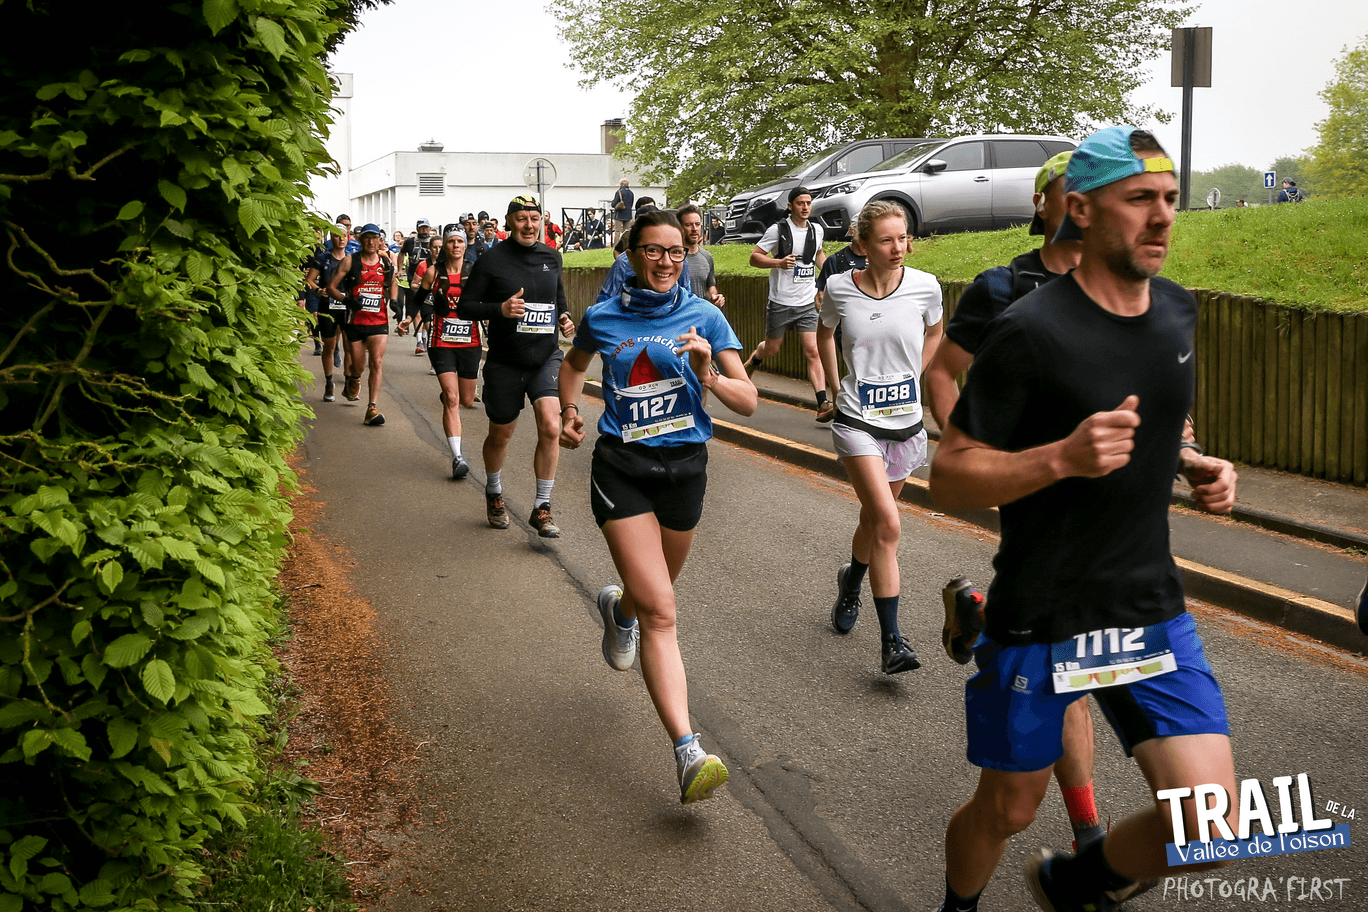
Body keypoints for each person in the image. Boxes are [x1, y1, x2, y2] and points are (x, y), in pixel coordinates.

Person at [928, 126, 1239, 912]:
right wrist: (1060, 458)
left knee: (1213, 826)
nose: (1162, 216)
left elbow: (1163, 421)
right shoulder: (1029, 331)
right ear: (1083, 209)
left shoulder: (1176, 312)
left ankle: (1075, 883)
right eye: (1139, 199)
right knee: (1009, 809)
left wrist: (1191, 461)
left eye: (1170, 198)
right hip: (1045, 615)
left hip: (1148, 608)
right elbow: (950, 475)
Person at [923, 150, 1119, 859]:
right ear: (1042, 204)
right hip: (1034, 483)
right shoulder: (1003, 287)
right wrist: (974, 453)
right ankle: (1089, 834)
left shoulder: (1121, 284)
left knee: (1072, 661)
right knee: (1071, 661)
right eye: (1072, 191)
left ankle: (980, 617)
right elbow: (941, 373)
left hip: (1103, 492)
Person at [558, 209, 758, 803]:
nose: (666, 261)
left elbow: (748, 400)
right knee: (664, 614)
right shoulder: (602, 316)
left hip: (685, 471)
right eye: (652, 250)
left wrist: (709, 375)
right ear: (631, 255)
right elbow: (572, 367)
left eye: (675, 251)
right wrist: (569, 412)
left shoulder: (707, 317)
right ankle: (688, 751)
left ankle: (619, 610)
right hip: (622, 469)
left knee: (652, 596)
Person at [817, 201, 942, 674]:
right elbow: (825, 334)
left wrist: (915, 374)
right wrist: (834, 387)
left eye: (903, 237)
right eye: (887, 240)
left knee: (874, 521)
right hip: (857, 421)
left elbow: (936, 332)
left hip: (907, 424)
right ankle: (893, 642)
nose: (898, 247)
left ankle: (852, 582)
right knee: (889, 524)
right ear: (863, 245)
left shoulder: (926, 286)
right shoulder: (839, 287)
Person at [457, 195, 576, 537]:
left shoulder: (552, 257)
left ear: (542, 221)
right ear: (509, 222)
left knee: (551, 426)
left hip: (545, 356)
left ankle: (542, 507)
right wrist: (500, 310)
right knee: (501, 433)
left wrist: (565, 317)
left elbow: (558, 298)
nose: (529, 225)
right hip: (506, 360)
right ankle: (494, 492)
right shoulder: (491, 260)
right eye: (521, 218)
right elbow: (465, 307)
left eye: (534, 218)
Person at [742, 187, 831, 421]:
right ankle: (754, 360)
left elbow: (818, 255)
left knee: (813, 350)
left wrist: (830, 276)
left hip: (807, 300)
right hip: (781, 301)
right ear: (790, 206)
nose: (805, 207)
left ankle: (823, 403)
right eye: (800, 203)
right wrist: (778, 263)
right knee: (772, 348)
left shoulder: (817, 230)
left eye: (808, 203)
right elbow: (754, 258)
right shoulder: (778, 230)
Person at [412, 228, 479, 479]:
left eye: (460, 241)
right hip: (441, 341)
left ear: (465, 245)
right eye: (451, 241)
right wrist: (408, 319)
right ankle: (457, 457)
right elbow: (419, 298)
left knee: (466, 400)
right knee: (452, 398)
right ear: (445, 246)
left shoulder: (475, 271)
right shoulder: (433, 272)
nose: (456, 245)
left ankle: (449, 395)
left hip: (470, 341)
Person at [327, 223, 399, 426]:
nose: (370, 241)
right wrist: (346, 300)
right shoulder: (350, 261)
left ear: (379, 240)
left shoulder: (385, 262)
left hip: (379, 321)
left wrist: (394, 301)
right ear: (360, 240)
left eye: (374, 238)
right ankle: (354, 378)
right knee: (358, 366)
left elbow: (392, 282)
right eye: (366, 237)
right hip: (355, 321)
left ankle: (372, 408)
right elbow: (331, 287)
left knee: (376, 362)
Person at [305, 227, 352, 402]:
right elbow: (309, 280)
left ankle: (348, 382)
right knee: (329, 347)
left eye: (344, 236)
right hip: (328, 306)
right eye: (337, 236)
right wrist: (319, 290)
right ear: (332, 238)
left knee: (349, 346)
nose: (341, 239)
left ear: (348, 237)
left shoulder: (352, 258)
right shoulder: (323, 257)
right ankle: (329, 382)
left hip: (346, 306)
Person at [677, 205, 725, 308]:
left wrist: (714, 297)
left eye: (697, 224)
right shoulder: (672, 257)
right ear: (680, 228)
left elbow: (710, 286)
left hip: (701, 312)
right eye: (688, 225)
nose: (694, 229)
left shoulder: (707, 256)